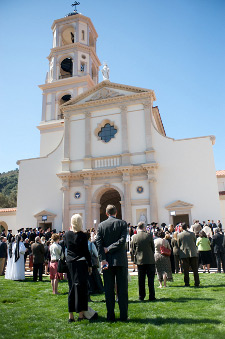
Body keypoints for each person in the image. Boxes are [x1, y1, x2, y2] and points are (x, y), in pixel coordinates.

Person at [96, 204, 128, 322]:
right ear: (116, 212)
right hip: (120, 261)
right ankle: (123, 316)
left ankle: (110, 316)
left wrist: (103, 258)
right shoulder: (122, 223)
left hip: (107, 262)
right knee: (122, 290)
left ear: (106, 213)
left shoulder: (101, 225)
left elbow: (99, 244)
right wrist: (110, 248)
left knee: (109, 290)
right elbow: (122, 241)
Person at [64, 214, 93, 322]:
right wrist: (90, 264)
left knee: (71, 288)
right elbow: (86, 252)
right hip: (80, 263)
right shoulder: (83, 235)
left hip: (70, 263)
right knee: (81, 288)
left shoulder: (66, 234)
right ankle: (81, 315)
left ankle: (70, 316)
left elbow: (67, 246)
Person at [130, 221, 156, 301]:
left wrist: (133, 259)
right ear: (144, 227)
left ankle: (141, 296)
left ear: (138, 228)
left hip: (140, 260)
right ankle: (151, 296)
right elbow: (153, 247)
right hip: (150, 260)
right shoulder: (149, 235)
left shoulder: (134, 237)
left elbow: (132, 250)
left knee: (141, 280)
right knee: (150, 280)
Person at [177, 223, 200, 287]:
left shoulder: (179, 235)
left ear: (181, 227)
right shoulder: (192, 234)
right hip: (193, 252)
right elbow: (194, 241)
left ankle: (187, 283)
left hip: (184, 253)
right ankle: (197, 282)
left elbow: (178, 244)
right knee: (195, 269)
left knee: (186, 270)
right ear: (187, 227)